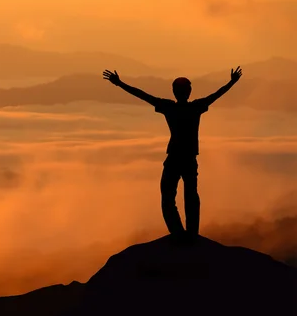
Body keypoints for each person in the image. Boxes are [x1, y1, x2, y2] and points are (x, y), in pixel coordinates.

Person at [103, 66, 243, 243]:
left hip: (175, 158)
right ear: (189, 92)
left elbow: (143, 96)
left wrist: (120, 84)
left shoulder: (169, 107)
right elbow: (216, 95)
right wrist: (232, 82)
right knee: (190, 195)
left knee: (169, 195)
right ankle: (191, 234)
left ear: (174, 92)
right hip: (189, 158)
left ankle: (178, 233)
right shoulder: (195, 107)